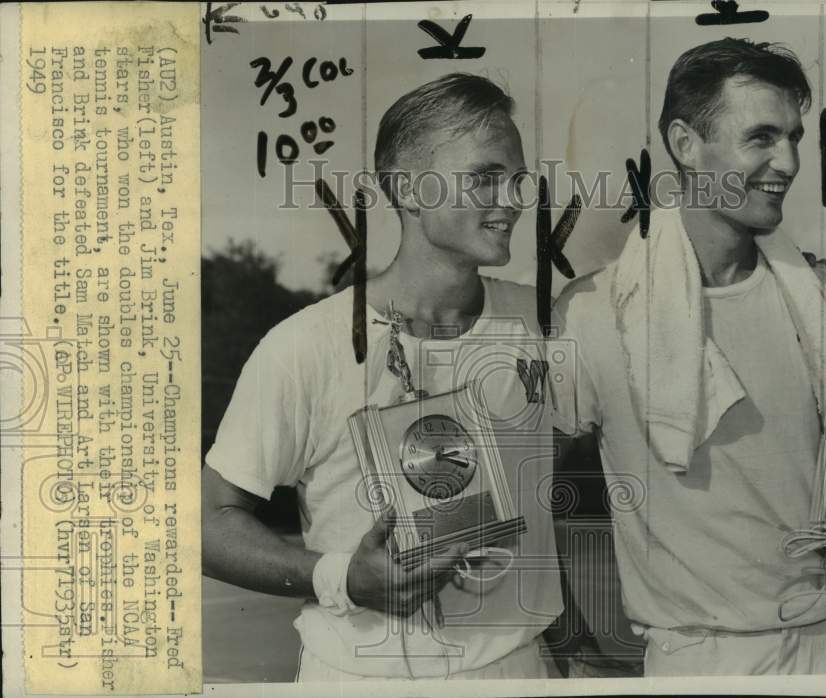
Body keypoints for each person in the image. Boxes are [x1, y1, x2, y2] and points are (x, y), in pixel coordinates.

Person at [202, 73, 566, 681]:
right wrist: (340, 576)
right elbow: (209, 522)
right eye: (485, 176)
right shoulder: (303, 346)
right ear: (408, 189)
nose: (513, 198)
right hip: (358, 677)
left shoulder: (545, 324)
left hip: (515, 668)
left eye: (518, 177)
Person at [551, 38, 826, 675]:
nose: (788, 161)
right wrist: (571, 646)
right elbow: (521, 493)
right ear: (685, 145)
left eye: (794, 137)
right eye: (761, 137)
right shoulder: (593, 313)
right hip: (705, 658)